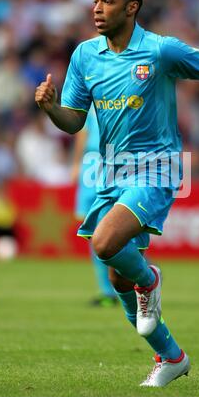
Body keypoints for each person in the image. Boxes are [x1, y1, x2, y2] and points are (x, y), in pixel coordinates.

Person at [35, 0, 199, 387]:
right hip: (110, 174)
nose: (96, 8)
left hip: (157, 169)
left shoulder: (161, 50)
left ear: (131, 9)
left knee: (106, 244)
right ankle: (171, 357)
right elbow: (74, 122)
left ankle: (151, 279)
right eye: (94, 0)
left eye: (107, 1)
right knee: (116, 276)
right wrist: (53, 108)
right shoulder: (85, 56)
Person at [71, 106, 118, 306]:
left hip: (114, 159)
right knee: (93, 228)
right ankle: (137, 267)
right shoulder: (89, 96)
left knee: (108, 226)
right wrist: (76, 163)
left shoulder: (119, 89)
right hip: (91, 162)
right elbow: (83, 131)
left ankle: (112, 288)